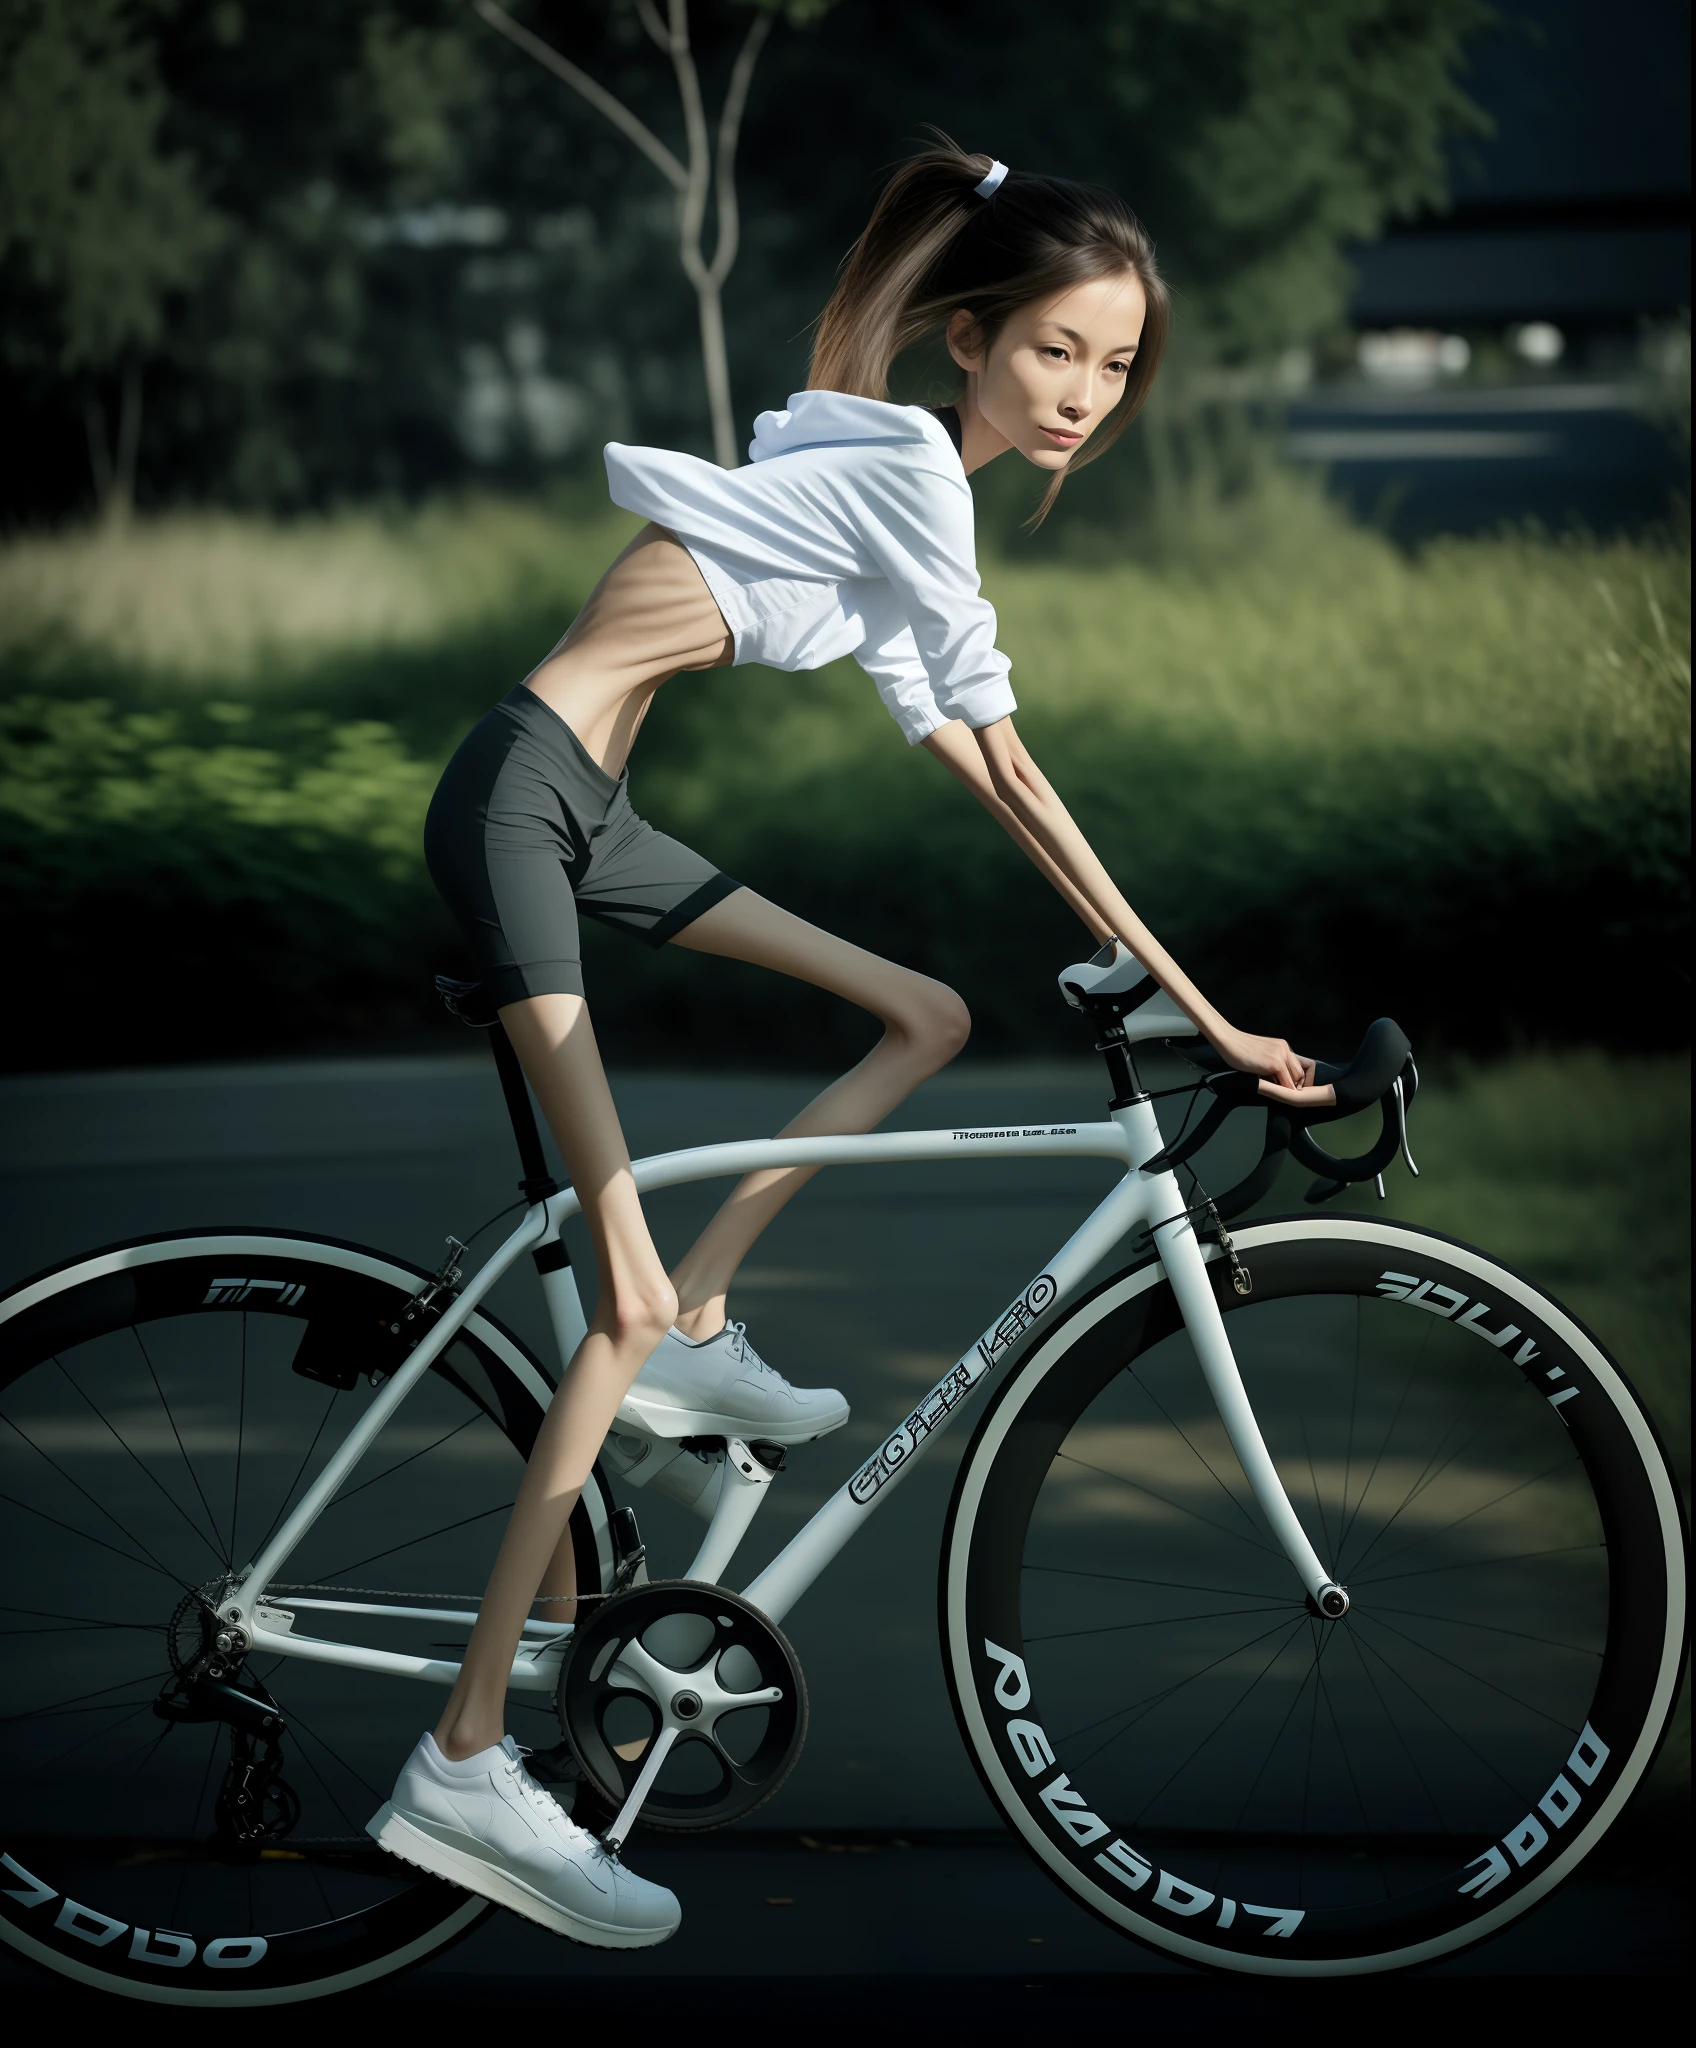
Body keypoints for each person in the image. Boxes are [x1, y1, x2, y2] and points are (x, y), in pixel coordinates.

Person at [365, 141, 1318, 1948]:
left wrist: (943, 195)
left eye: (1116, 368)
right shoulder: (905, 478)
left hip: (582, 811)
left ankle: (694, 1329)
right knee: (611, 1297)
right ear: (974, 341)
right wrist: (1209, 1014)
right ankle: (468, 1760)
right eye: (1057, 352)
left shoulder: (869, 461)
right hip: (521, 809)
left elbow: (972, 763)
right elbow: (1025, 771)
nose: (1087, 397)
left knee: (925, 1014)